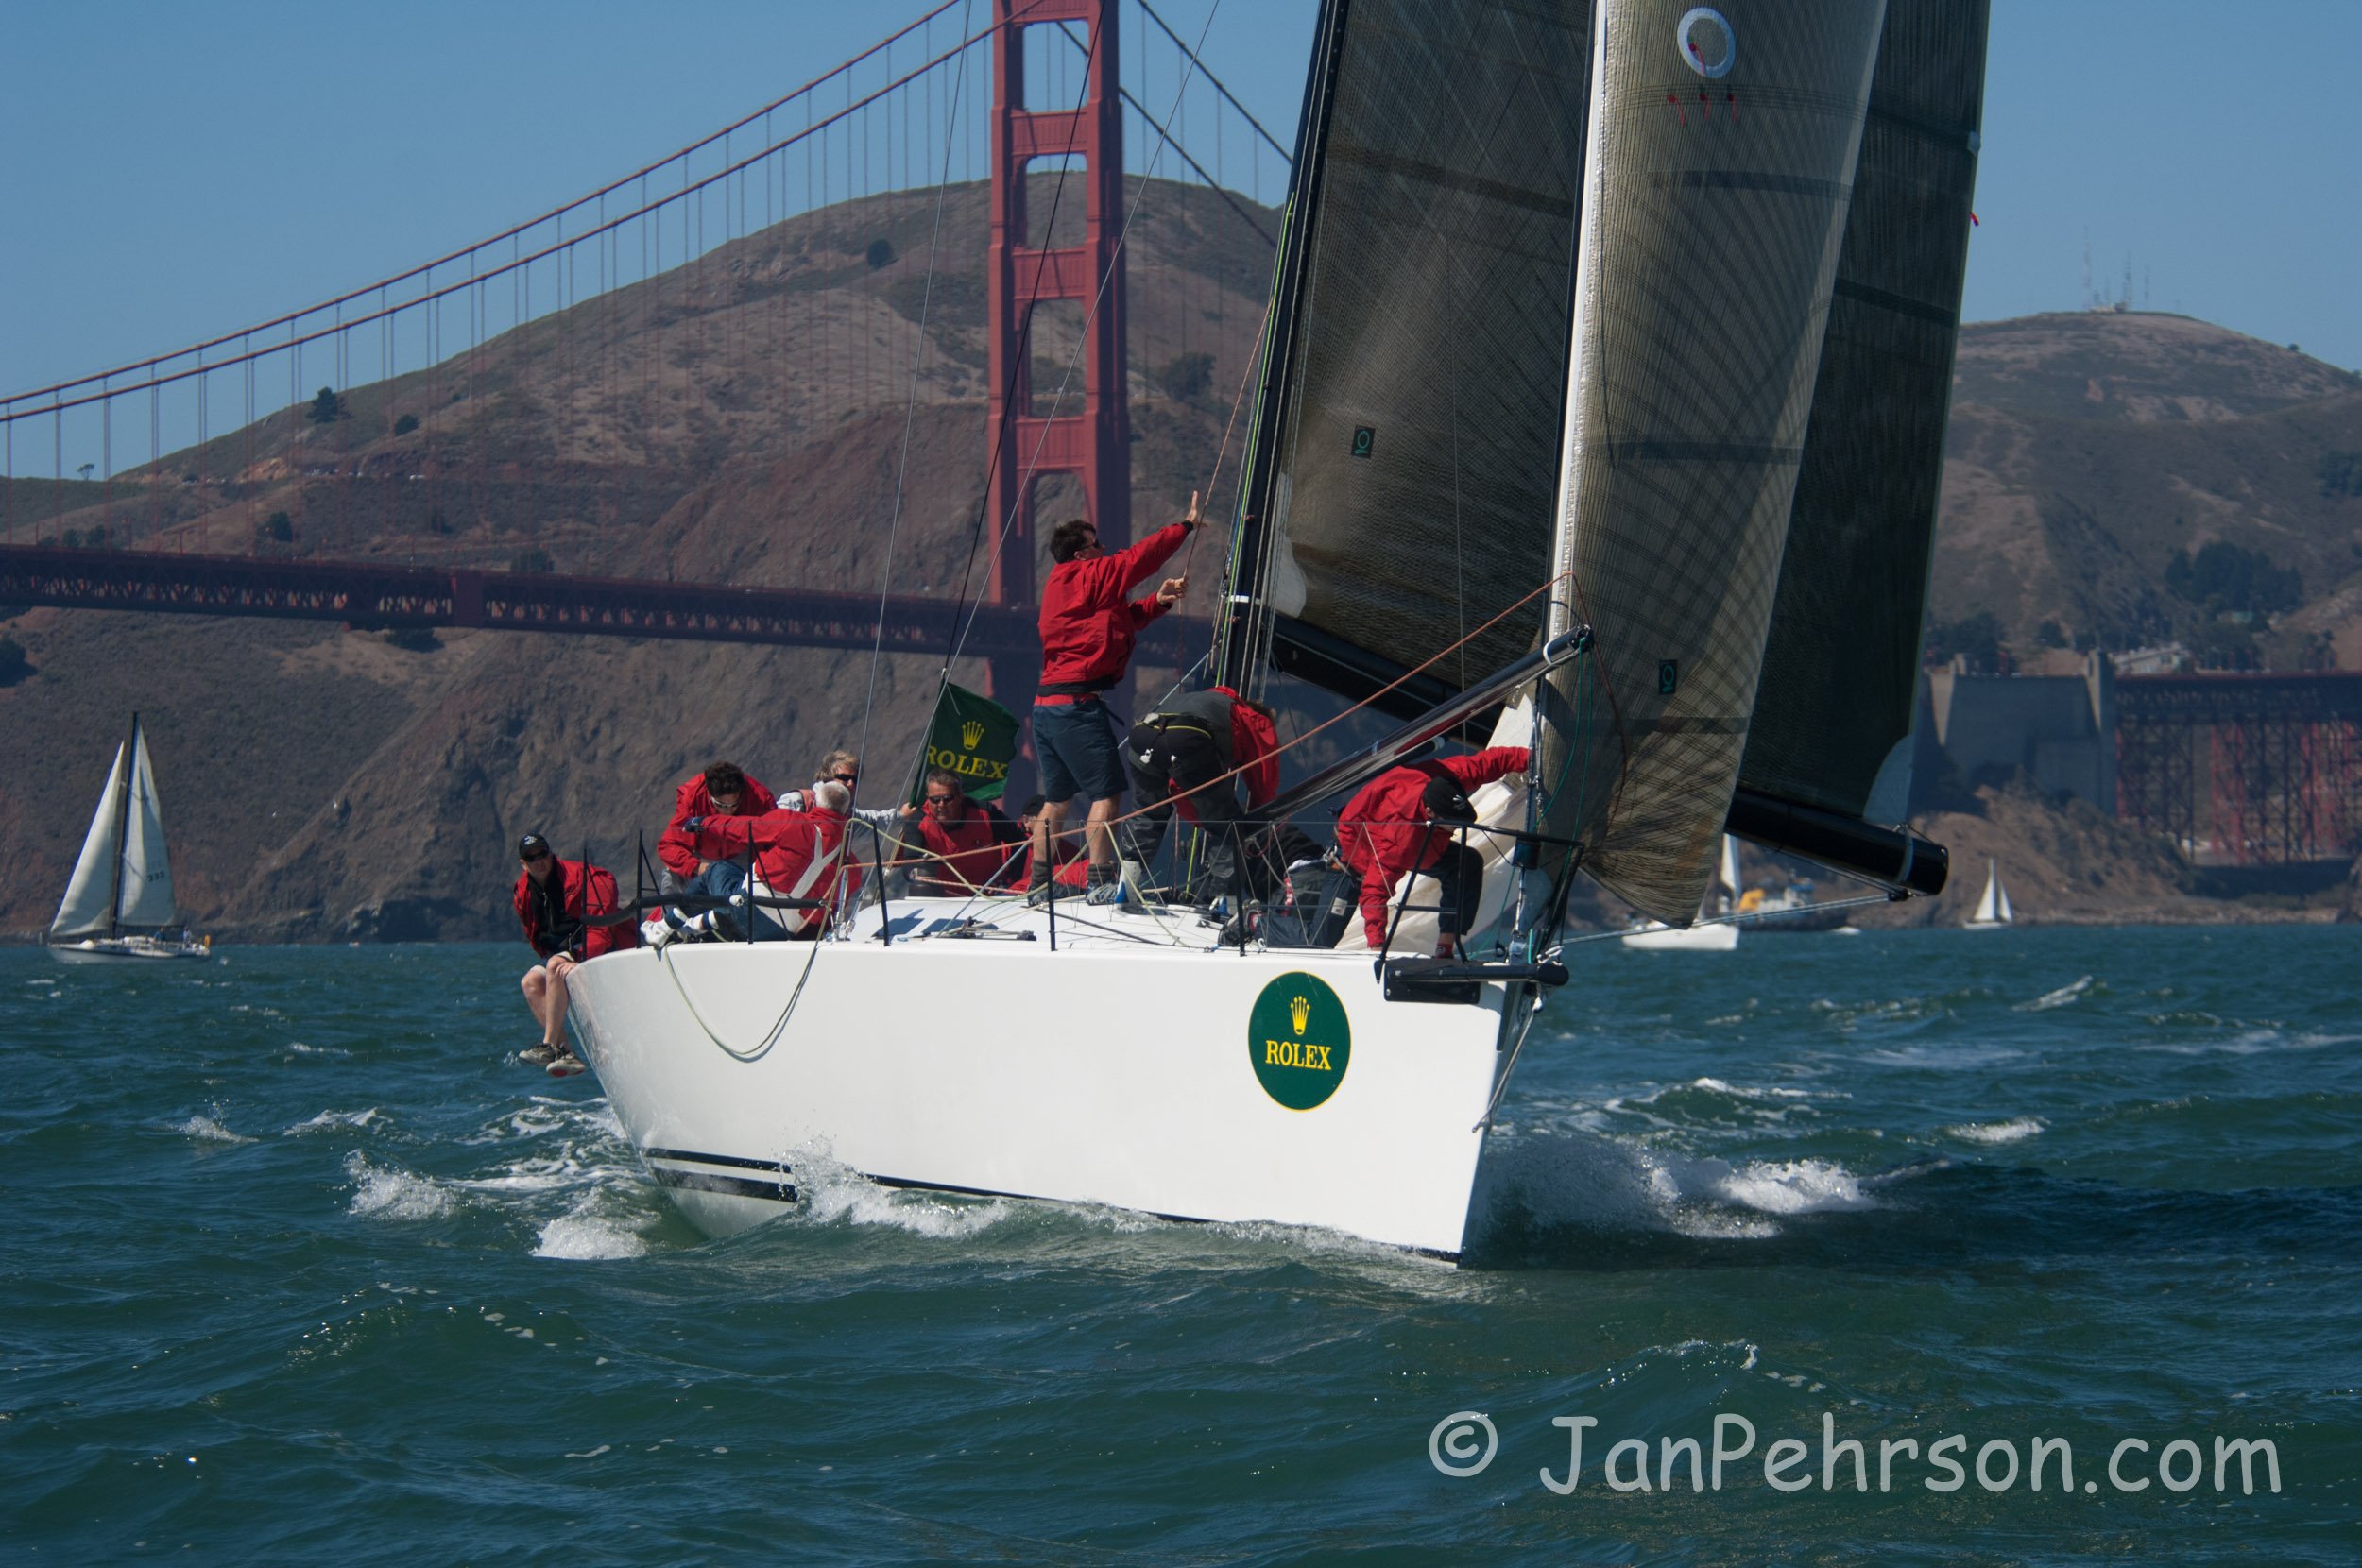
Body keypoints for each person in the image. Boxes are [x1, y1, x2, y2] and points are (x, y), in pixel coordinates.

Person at [1029, 493, 1198, 904]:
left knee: (1057, 798)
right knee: (1106, 795)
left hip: (1047, 708)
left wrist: (1158, 602)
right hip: (1076, 708)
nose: (1105, 550)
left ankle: (1037, 884)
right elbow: (1138, 559)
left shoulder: (1065, 585)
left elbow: (1118, 620)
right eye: (1097, 545)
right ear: (1082, 554)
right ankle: (1099, 882)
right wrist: (1185, 527)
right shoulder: (1086, 575)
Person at [1308, 748, 1530, 957]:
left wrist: (1528, 757)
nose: (1458, 829)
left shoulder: (1444, 780)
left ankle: (1445, 949)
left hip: (1423, 843)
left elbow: (1484, 763)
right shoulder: (1401, 839)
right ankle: (1278, 927)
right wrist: (1377, 948)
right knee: (1320, 942)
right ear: (1431, 814)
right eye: (1454, 824)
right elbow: (1374, 892)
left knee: (1466, 863)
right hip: (1353, 862)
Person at [1117, 684, 1279, 908]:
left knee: (1148, 813)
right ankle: (1227, 901)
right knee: (1224, 823)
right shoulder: (1252, 717)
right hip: (1187, 740)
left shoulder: (1197, 701)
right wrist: (1259, 820)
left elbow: (1181, 790)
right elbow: (1263, 774)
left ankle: (1125, 887)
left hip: (1143, 735)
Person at [644, 781, 864, 945]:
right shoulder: (851, 866)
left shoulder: (793, 824)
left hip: (749, 913)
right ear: (845, 812)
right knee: (736, 890)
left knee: (718, 870)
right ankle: (698, 924)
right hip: (787, 933)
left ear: (815, 802)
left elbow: (744, 828)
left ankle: (664, 928)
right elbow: (833, 910)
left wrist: (704, 823)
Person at [513, 832, 638, 1077]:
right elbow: (533, 930)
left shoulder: (582, 877)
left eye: (543, 854)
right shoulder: (523, 890)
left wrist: (580, 958)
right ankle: (566, 1053)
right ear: (523, 864)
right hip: (560, 949)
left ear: (551, 853)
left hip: (591, 942)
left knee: (554, 967)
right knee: (529, 983)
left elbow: (601, 927)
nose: (539, 861)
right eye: (531, 857)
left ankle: (548, 1045)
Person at [656, 761, 779, 894]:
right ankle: (670, 912)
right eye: (721, 805)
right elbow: (668, 846)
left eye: (734, 805)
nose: (728, 812)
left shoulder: (760, 798)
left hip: (743, 853)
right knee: (672, 874)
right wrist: (697, 867)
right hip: (702, 856)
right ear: (709, 794)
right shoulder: (692, 798)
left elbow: (774, 839)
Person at [899, 769, 1025, 895]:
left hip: (989, 899)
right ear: (927, 797)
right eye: (935, 800)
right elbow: (910, 860)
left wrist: (1008, 880)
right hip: (943, 902)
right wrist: (916, 873)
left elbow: (1020, 842)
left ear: (960, 796)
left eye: (948, 799)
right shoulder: (918, 822)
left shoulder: (985, 814)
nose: (941, 805)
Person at [1015, 794, 1088, 892]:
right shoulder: (1012, 845)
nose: (1054, 823)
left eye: (1056, 818)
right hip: (1013, 899)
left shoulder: (1073, 851)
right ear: (1026, 821)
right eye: (1046, 818)